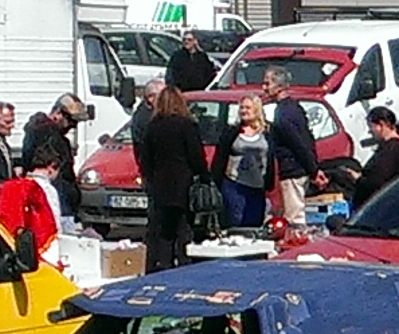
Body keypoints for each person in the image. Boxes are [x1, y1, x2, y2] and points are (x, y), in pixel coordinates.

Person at [137, 84, 209, 272]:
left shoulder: (153, 126)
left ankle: (164, 267)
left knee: (164, 233)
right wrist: (204, 176)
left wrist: (149, 179)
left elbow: (145, 159)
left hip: (160, 185)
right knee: (184, 229)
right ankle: (184, 268)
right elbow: (196, 157)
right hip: (183, 185)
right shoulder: (188, 125)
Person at [215, 97, 276, 232]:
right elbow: (220, 158)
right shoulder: (232, 132)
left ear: (256, 109)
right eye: (241, 107)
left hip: (257, 186)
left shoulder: (267, 132)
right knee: (236, 223)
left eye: (247, 107)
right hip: (234, 185)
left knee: (255, 223)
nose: (243, 111)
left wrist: (269, 183)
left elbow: (271, 157)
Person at [268, 88, 321, 228]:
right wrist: (313, 166)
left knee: (294, 218)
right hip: (301, 168)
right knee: (296, 212)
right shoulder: (296, 108)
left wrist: (314, 169)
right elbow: (308, 138)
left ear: (279, 87)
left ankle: (297, 244)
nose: (264, 88)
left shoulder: (283, 113)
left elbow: (297, 142)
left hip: (292, 168)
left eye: (268, 83)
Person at [352, 106, 399, 209]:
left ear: (381, 125)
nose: (370, 131)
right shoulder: (398, 145)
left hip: (388, 206)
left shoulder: (391, 149)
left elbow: (377, 181)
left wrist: (358, 178)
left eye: (371, 126)